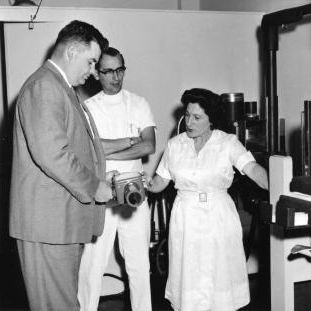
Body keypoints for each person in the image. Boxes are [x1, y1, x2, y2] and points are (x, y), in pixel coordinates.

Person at [9, 20, 113, 311]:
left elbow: (73, 149)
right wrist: (93, 185)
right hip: (48, 226)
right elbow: (52, 153)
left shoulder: (60, 88)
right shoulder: (45, 86)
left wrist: (101, 175)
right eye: (91, 61)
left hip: (59, 224)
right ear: (71, 52)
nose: (93, 71)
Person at [147, 88, 269, 311]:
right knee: (190, 278)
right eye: (187, 115)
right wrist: (140, 183)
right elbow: (159, 182)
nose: (189, 122)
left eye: (197, 117)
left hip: (218, 216)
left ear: (211, 119)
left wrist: (279, 185)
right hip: (186, 217)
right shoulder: (175, 146)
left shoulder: (228, 142)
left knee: (219, 277)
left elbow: (252, 169)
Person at [78, 47, 156, 311]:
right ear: (97, 74)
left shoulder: (139, 103)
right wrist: (129, 140)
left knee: (139, 265)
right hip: (102, 195)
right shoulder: (88, 108)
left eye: (120, 69)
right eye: (108, 71)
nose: (115, 76)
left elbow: (149, 146)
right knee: (92, 266)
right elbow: (87, 149)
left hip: (134, 195)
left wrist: (104, 147)